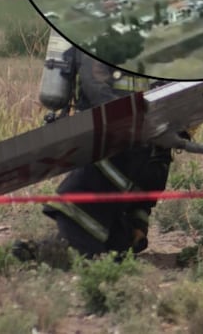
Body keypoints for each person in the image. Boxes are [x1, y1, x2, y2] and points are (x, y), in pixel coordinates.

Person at [24, 48, 171, 260]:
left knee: (136, 196)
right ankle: (73, 247)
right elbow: (93, 83)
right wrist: (124, 117)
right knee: (96, 184)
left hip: (144, 137)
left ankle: (114, 239)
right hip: (109, 132)